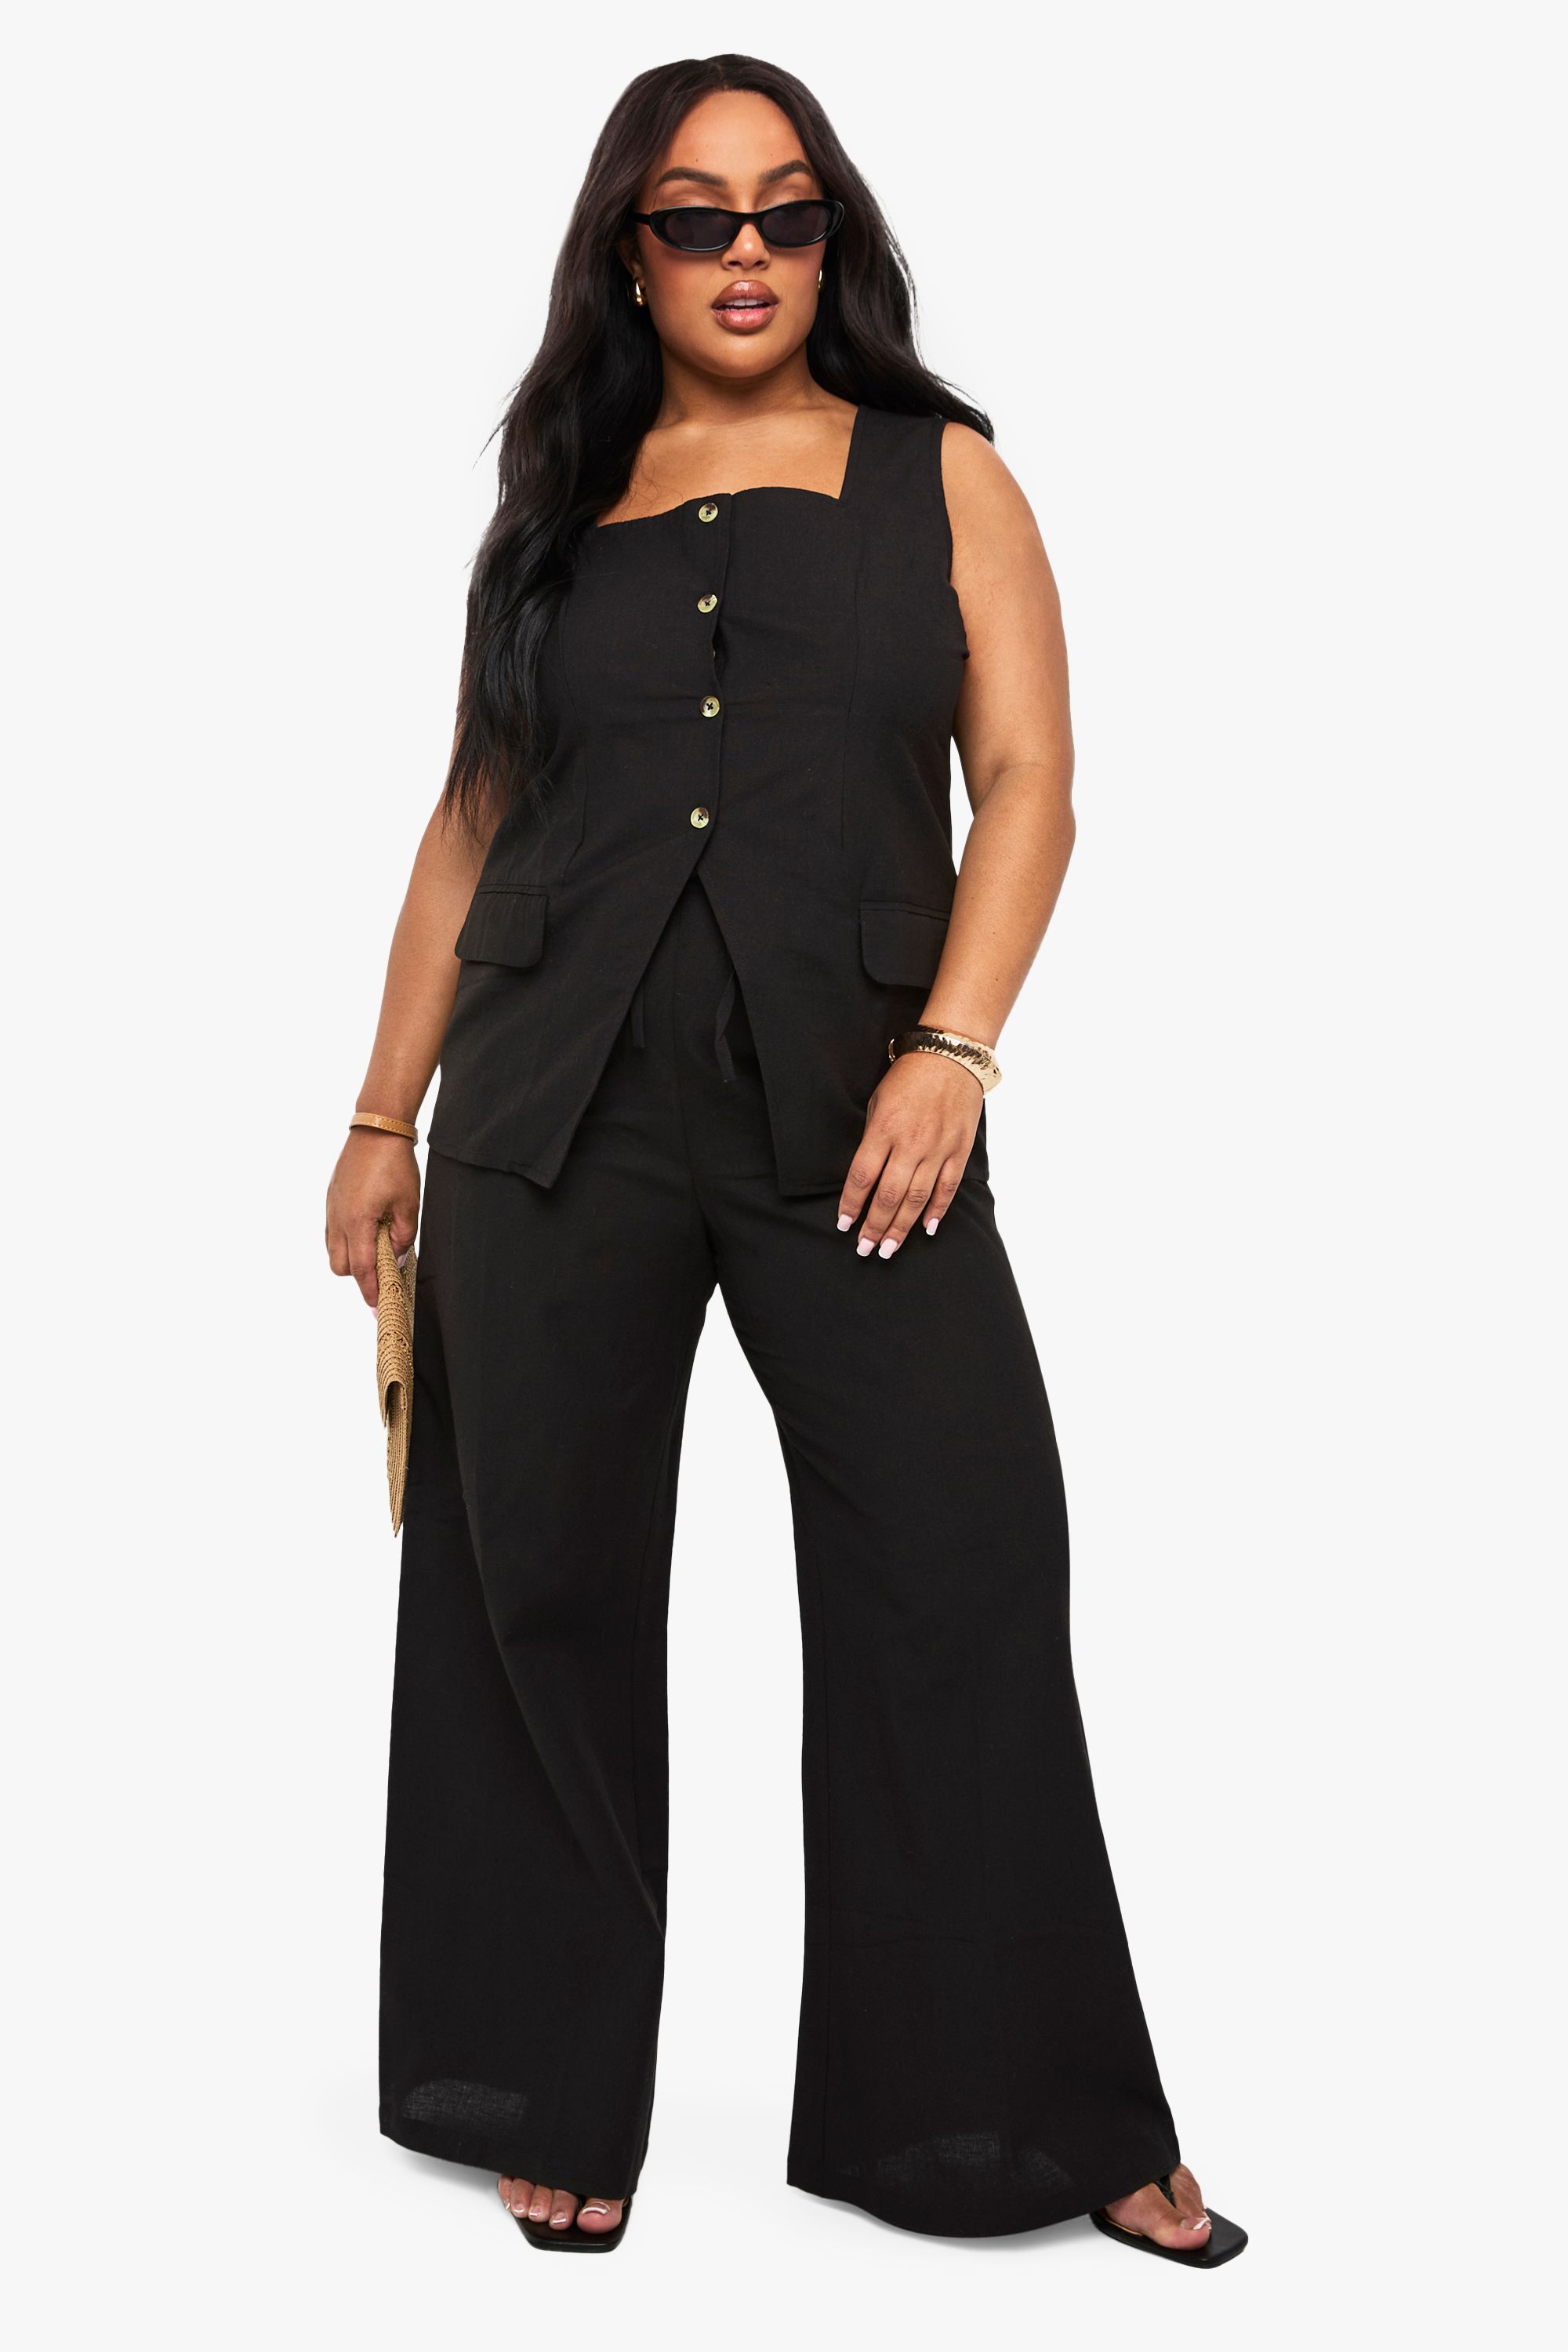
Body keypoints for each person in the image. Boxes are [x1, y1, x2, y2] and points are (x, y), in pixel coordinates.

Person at [325, 53, 1247, 2265]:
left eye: (787, 211)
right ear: (627, 255)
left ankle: (1033, 2109)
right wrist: (378, 1115)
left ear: (834, 240)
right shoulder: (558, 509)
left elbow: (1032, 780)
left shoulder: (947, 476)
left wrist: (956, 1048)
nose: (746, 252)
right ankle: (541, 2075)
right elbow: (472, 819)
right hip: (551, 1111)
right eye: (695, 215)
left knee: (963, 1560)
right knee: (529, 1582)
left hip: (860, 1113)